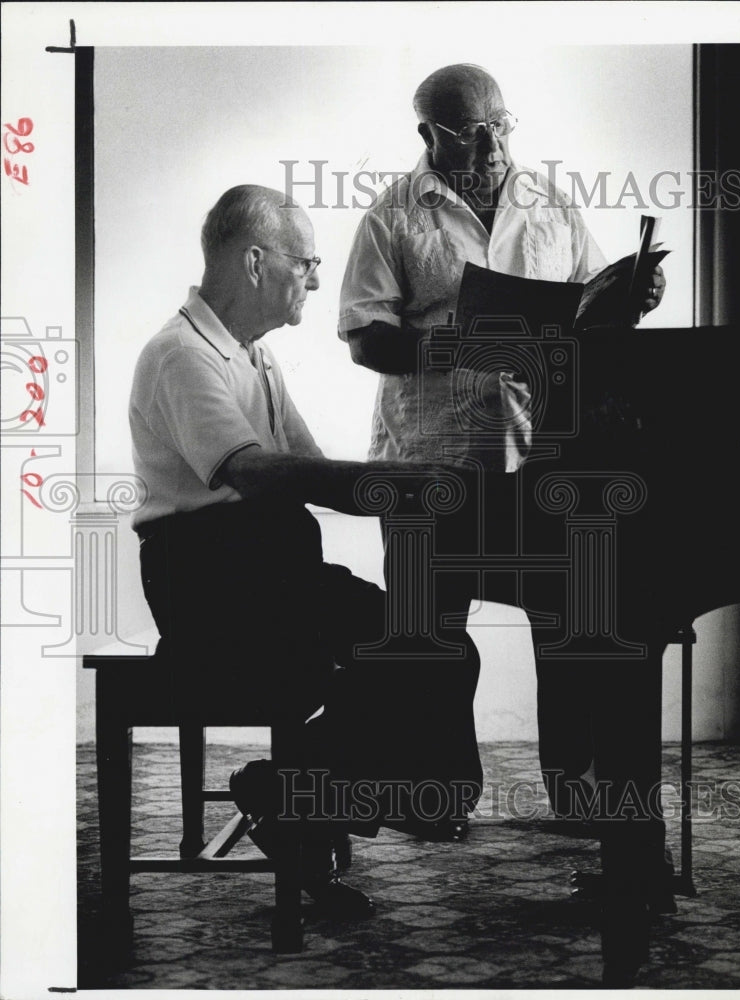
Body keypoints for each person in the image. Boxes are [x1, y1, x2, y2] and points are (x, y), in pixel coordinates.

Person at [338, 64, 669, 982]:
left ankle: (574, 788)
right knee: (427, 633)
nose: (489, 146)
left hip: (540, 450)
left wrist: (626, 304)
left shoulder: (552, 202)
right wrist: (468, 343)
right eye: (466, 132)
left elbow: (589, 314)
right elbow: (365, 336)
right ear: (427, 135)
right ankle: (434, 794)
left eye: (498, 126)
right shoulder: (391, 215)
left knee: (566, 622)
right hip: (431, 454)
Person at [129, 184, 482, 921]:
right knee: (397, 658)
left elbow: (314, 470)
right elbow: (253, 472)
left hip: (273, 573)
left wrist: (418, 484)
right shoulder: (179, 355)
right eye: (308, 262)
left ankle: (292, 800)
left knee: (441, 648)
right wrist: (400, 480)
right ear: (256, 262)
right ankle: (300, 804)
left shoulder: (253, 357)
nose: (317, 282)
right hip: (210, 582)